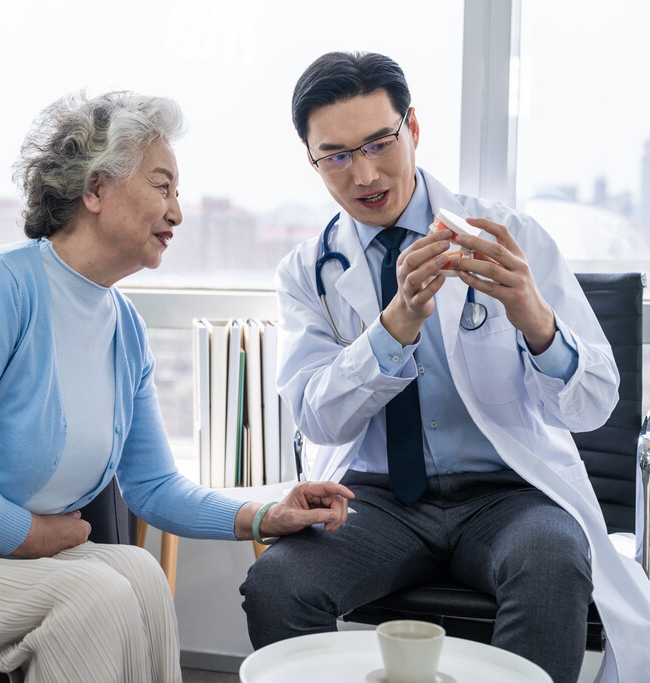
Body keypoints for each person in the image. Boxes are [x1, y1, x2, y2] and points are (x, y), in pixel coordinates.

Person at [0, 90, 354, 683]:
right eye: (161, 186)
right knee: (92, 596)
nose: (177, 212)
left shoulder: (124, 327)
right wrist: (32, 535)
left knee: (141, 574)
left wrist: (264, 516)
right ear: (95, 190)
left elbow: (153, 487)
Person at [239, 51, 650, 683]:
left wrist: (535, 319)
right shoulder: (307, 272)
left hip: (508, 495)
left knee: (552, 563)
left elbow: (594, 404)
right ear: (313, 161)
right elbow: (318, 419)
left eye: (380, 142)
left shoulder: (511, 236)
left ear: (414, 129)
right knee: (278, 585)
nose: (365, 173)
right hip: (376, 503)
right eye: (337, 155)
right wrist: (395, 322)